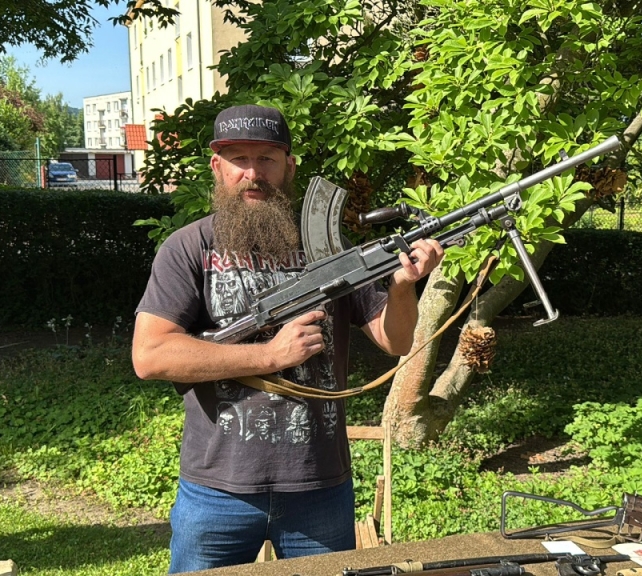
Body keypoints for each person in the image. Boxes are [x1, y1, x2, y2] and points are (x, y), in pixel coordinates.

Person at [131, 104, 444, 572]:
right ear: (217, 167)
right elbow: (150, 355)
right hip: (218, 489)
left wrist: (402, 288)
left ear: (289, 167)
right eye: (239, 159)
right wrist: (270, 355)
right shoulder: (188, 248)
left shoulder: (329, 249)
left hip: (318, 485)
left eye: (267, 159)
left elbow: (395, 341)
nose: (252, 173)